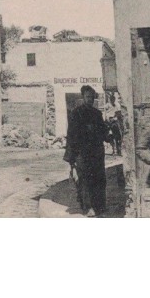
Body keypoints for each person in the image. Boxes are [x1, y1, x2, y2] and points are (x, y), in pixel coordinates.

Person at [64, 84, 108, 216]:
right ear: (83, 97)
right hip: (82, 153)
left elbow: (103, 132)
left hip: (97, 153)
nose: (90, 100)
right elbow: (71, 135)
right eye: (88, 97)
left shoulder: (97, 114)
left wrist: (108, 136)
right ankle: (88, 207)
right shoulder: (76, 113)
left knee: (99, 179)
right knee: (85, 181)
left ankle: (99, 206)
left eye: (92, 97)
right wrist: (71, 158)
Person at [102, 92, 123, 156]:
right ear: (109, 99)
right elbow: (104, 113)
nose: (112, 100)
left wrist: (116, 117)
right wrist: (106, 118)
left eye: (113, 99)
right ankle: (113, 149)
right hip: (108, 121)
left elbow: (118, 113)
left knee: (118, 135)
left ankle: (118, 150)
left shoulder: (117, 105)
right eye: (111, 99)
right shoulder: (107, 105)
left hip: (115, 121)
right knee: (108, 135)